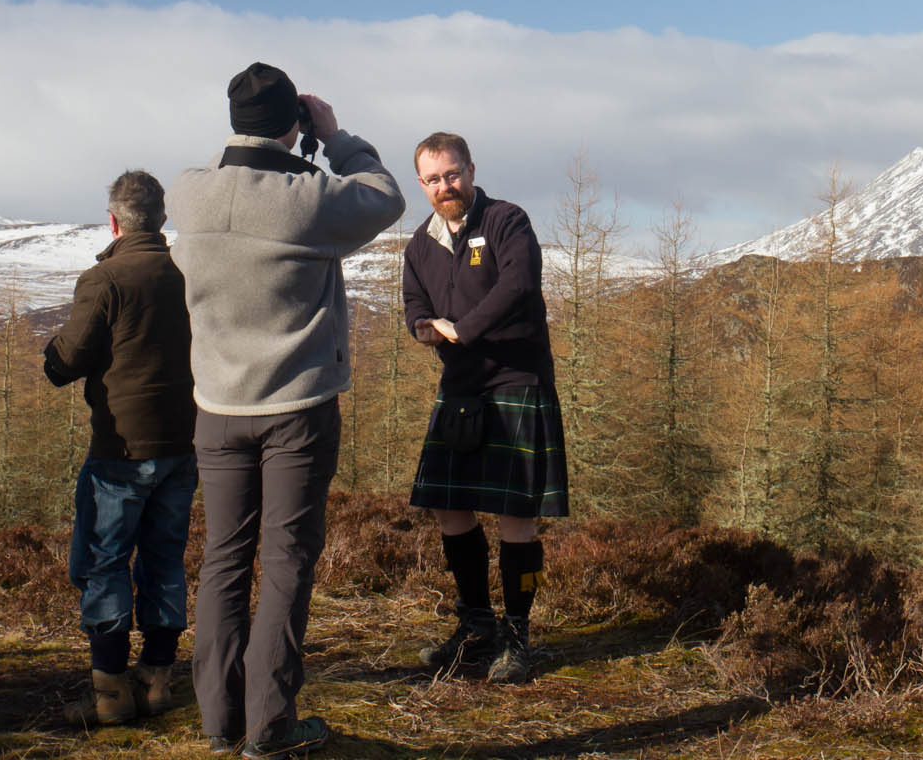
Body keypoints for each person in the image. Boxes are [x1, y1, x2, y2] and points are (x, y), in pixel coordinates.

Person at [168, 62, 404, 759]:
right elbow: (384, 195)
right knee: (287, 561)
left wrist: (250, 142)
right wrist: (336, 137)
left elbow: (224, 168)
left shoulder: (190, 192)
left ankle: (218, 721)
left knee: (223, 560)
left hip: (216, 406)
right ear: (293, 124)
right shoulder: (307, 198)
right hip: (296, 406)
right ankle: (270, 728)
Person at [402, 132, 569, 684]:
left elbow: (519, 284)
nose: (444, 186)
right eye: (433, 179)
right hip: (461, 389)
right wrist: (422, 327)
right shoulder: (419, 245)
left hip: (517, 380)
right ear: (421, 184)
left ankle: (518, 635)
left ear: (471, 170)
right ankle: (476, 625)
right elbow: (414, 301)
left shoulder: (505, 220)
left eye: (452, 174)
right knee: (452, 511)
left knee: (518, 520)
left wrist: (463, 330)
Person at [42, 170, 198, 726]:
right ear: (160, 218)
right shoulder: (188, 271)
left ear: (114, 220)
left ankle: (110, 693)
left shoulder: (104, 278)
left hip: (120, 447)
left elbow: (68, 359)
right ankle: (157, 680)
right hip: (184, 441)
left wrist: (51, 354)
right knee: (164, 560)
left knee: (106, 563)